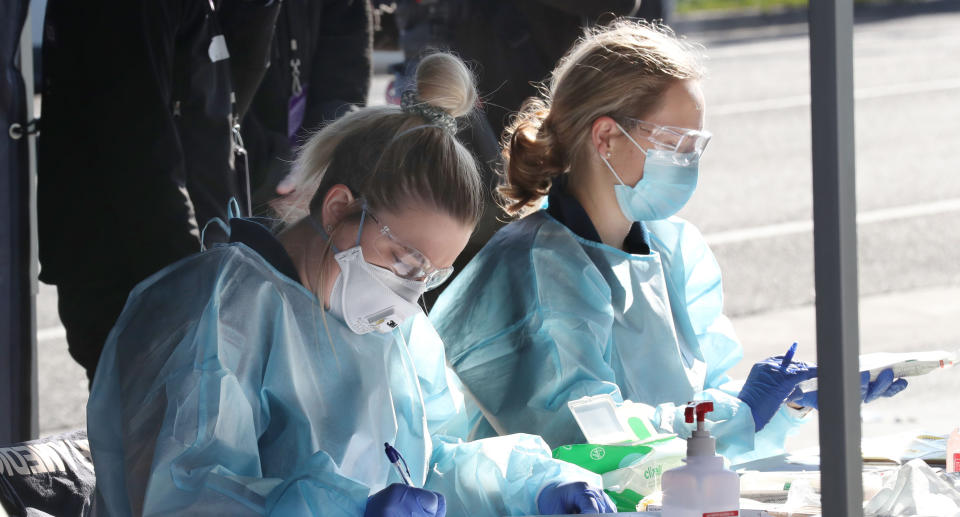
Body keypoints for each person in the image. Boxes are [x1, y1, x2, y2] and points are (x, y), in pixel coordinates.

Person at [86, 53, 614, 516]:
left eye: (431, 276)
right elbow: (186, 496)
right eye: (405, 261)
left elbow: (431, 464)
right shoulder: (217, 310)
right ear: (340, 207)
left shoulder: (390, 328)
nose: (409, 294)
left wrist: (531, 485)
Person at [428, 21, 909, 464]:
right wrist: (738, 411)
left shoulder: (675, 248)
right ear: (606, 136)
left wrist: (787, 404)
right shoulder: (530, 269)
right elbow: (587, 443)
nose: (687, 163)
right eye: (675, 144)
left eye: (695, 147)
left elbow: (705, 409)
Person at [37, 0, 280, 384]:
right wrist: (191, 284)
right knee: (156, 425)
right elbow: (141, 156)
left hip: (185, 248)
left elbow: (230, 97)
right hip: (133, 267)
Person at [242, 0, 373, 211]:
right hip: (228, 173)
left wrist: (325, 155)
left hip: (305, 175)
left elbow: (345, 72)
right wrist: (270, 167)